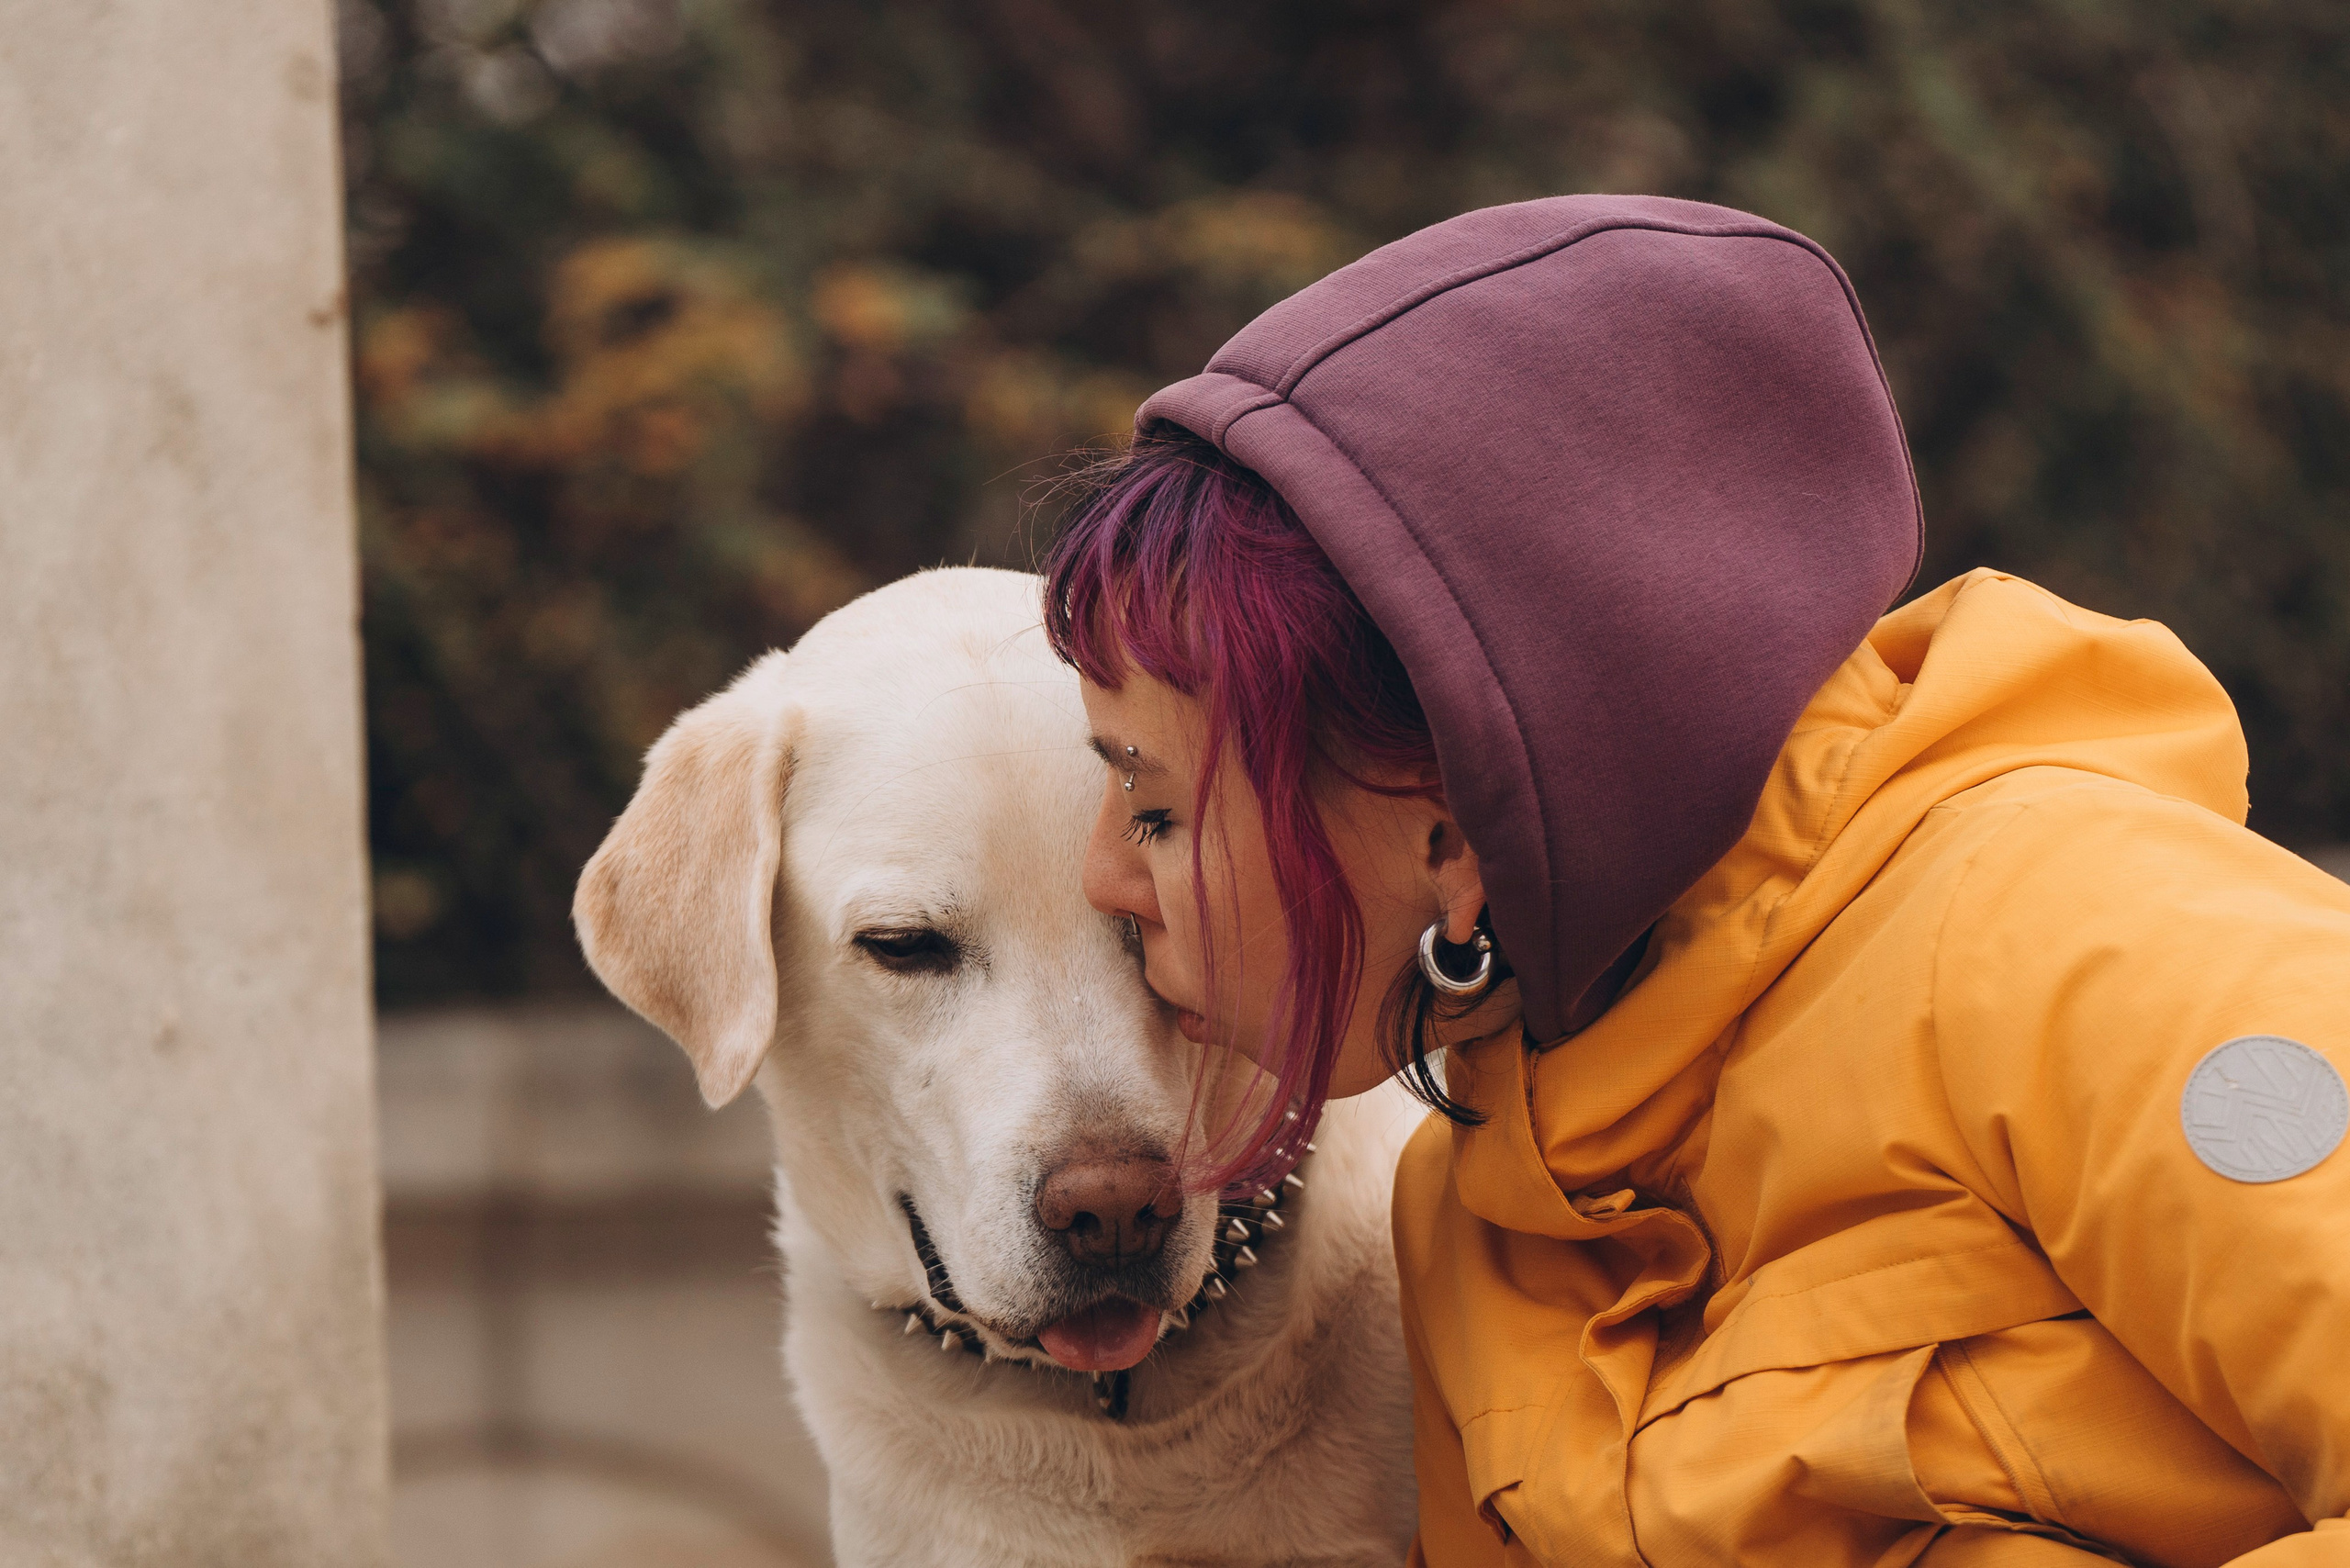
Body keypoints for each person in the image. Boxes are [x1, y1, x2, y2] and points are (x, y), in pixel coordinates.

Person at [1042, 195, 2349, 1567]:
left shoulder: (2086, 951)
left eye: (1158, 807)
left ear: (1451, 834)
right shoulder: (1470, 1225)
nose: (1102, 880)